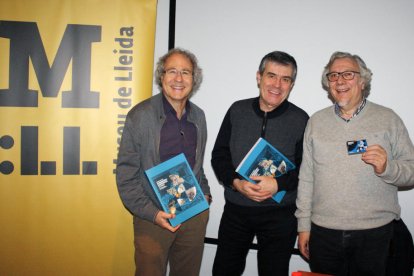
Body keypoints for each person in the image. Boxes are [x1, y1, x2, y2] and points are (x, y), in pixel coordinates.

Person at [295, 51, 414, 276]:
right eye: (333, 75)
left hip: (375, 234)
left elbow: (412, 169)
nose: (340, 80)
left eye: (348, 74)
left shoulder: (388, 119)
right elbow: (307, 177)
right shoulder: (316, 122)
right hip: (324, 234)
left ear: (362, 81)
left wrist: (388, 168)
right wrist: (303, 226)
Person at [211, 51, 309, 276]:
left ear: (292, 84)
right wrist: (236, 183)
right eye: (271, 76)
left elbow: (307, 169)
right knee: (224, 271)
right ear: (259, 77)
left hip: (281, 216)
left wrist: (278, 184)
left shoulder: (301, 119)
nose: (277, 84)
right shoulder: (237, 110)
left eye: (285, 79)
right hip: (236, 211)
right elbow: (220, 155)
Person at [116, 48, 211, 276]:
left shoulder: (198, 116)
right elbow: (126, 176)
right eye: (172, 71)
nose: (179, 79)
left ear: (194, 79)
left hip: (192, 215)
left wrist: (205, 195)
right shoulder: (140, 116)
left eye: (186, 72)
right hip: (153, 217)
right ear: (161, 76)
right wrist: (153, 213)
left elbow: (197, 166)